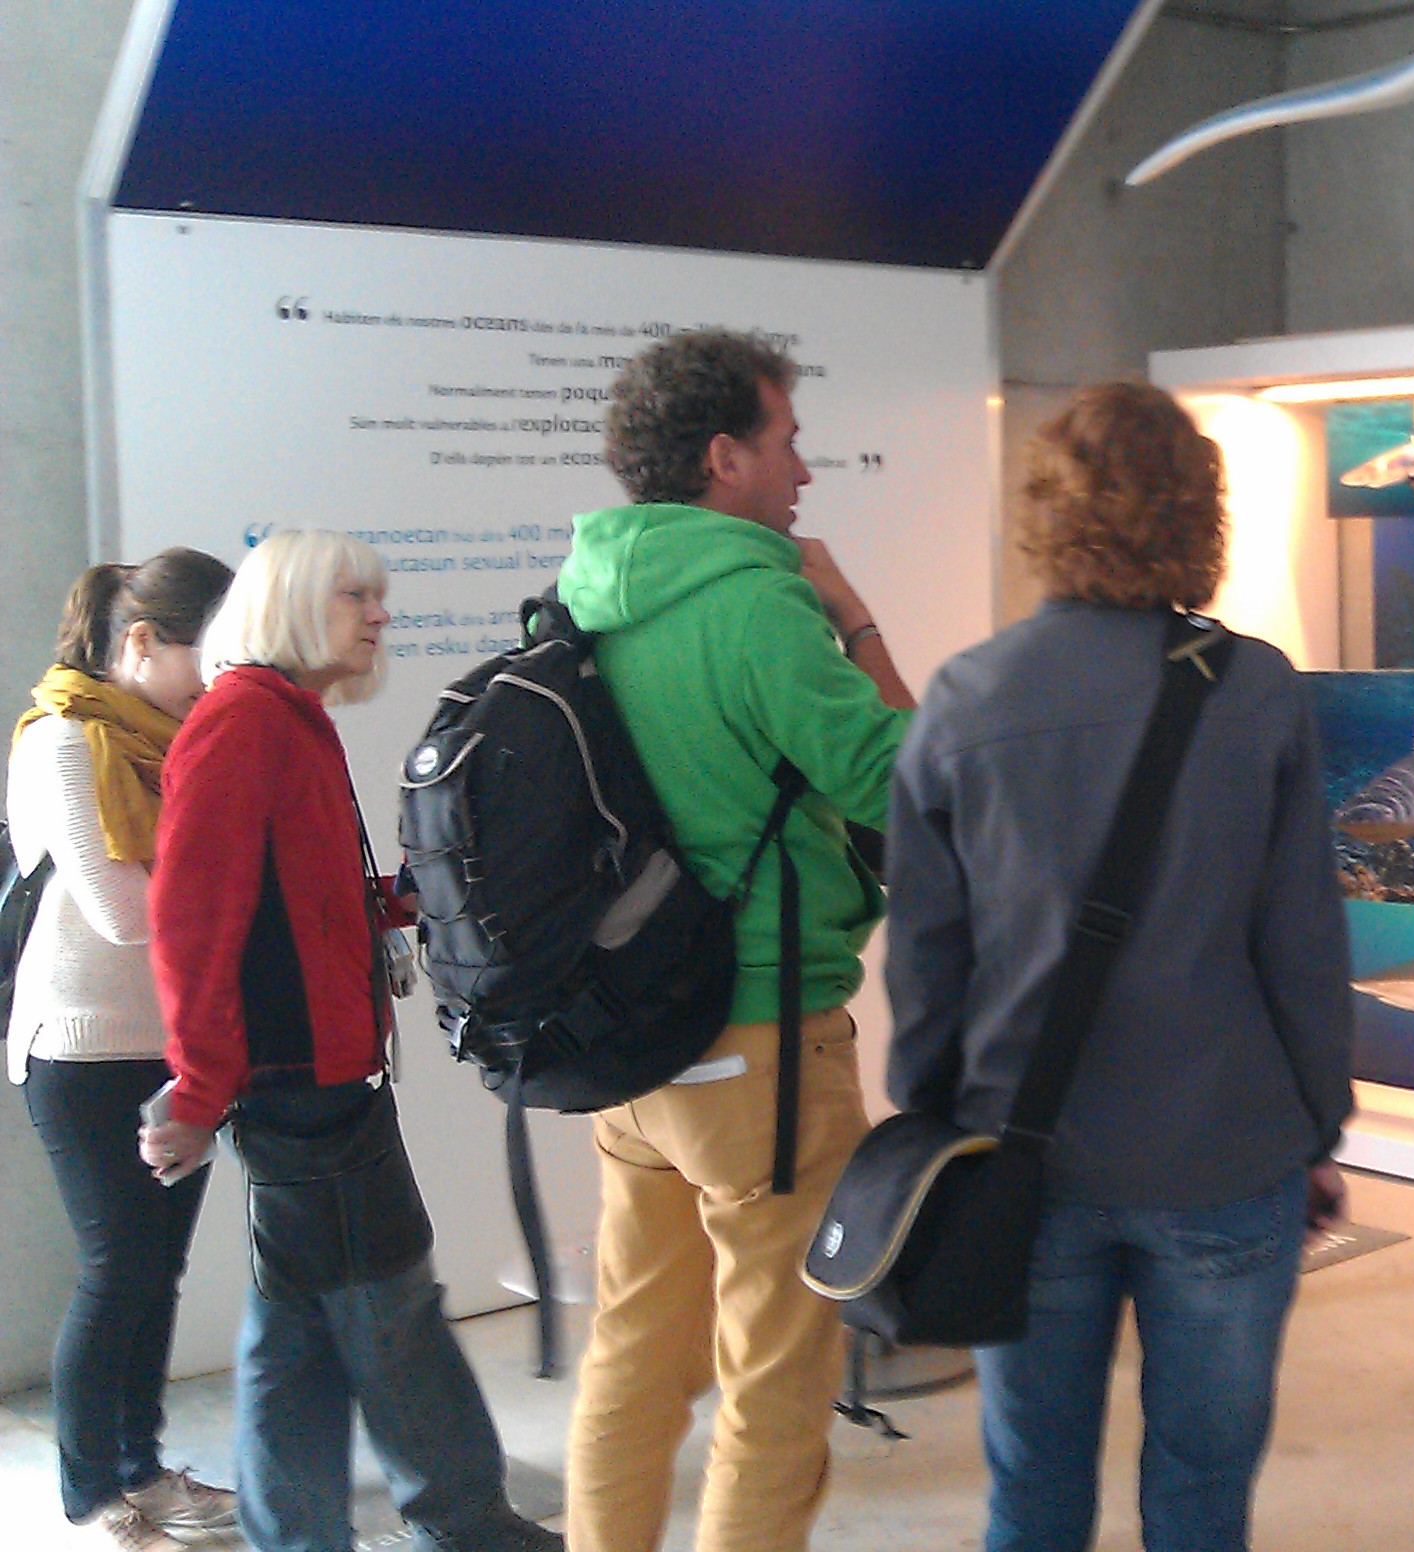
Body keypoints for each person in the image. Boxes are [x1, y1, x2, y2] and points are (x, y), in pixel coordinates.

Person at [882, 382, 1355, 1552]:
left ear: (1046, 510)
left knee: (1031, 1484)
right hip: (1226, 1149)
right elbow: (1301, 941)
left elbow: (929, 958)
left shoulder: (965, 697)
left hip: (1022, 1156)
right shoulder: (1256, 691)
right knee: (1203, 1486)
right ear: (1197, 515)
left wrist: (935, 1117)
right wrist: (1316, 1126)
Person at [556, 328, 913, 1552]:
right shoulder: (759, 602)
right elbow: (905, 781)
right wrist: (855, 619)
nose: (804, 471)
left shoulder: (590, 593)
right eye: (787, 441)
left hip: (631, 1042)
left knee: (636, 1353)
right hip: (758, 1044)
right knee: (777, 1373)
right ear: (724, 455)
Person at [137, 529, 557, 1552]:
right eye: (353, 596)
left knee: (304, 1332)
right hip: (299, 1085)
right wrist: (198, 1089)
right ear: (285, 603)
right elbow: (192, 926)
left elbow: (290, 895)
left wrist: (398, 898)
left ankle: (327, 1532)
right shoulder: (242, 725)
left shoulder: (283, 719)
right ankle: (462, 1523)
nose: (378, 615)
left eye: (377, 595)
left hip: (317, 1078)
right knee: (389, 1310)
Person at [10, 550, 237, 1552]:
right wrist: (235, 885)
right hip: (81, 1049)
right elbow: (121, 911)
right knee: (117, 1269)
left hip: (177, 1041)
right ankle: (90, 1492)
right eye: (203, 655)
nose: (214, 679)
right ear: (141, 641)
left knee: (157, 1272)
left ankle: (142, 1467)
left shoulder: (176, 737)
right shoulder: (66, 737)